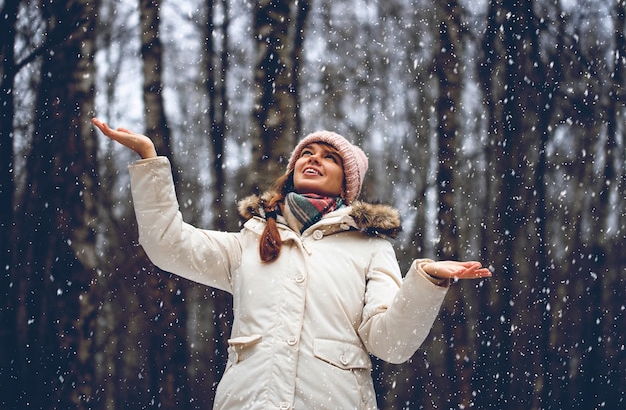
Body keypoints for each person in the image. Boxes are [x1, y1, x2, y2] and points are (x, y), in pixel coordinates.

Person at [92, 118, 492, 410]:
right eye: (307, 153)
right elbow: (167, 244)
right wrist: (149, 159)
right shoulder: (250, 240)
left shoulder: (371, 249)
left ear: (347, 184)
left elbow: (391, 343)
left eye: (329, 157)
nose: (314, 159)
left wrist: (426, 282)